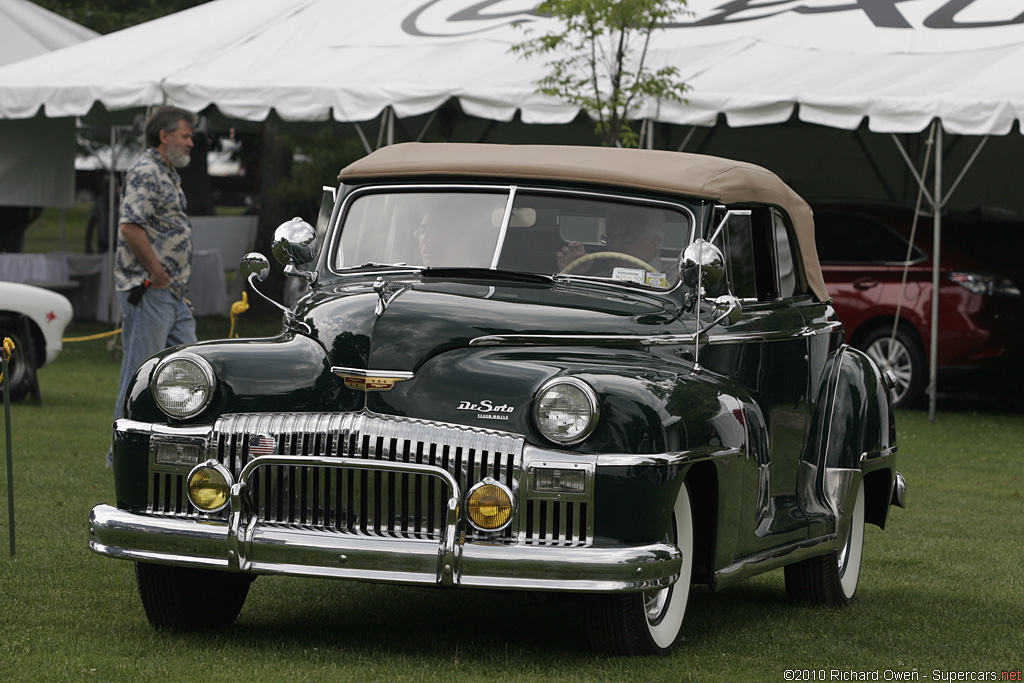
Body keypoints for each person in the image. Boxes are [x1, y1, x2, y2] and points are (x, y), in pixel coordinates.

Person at [107, 105, 197, 468]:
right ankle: (123, 455)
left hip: (172, 294)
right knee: (140, 375)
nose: (191, 143)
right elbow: (130, 226)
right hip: (151, 289)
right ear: (164, 136)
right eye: (185, 136)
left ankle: (178, 451)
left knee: (189, 370)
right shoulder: (146, 171)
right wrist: (157, 273)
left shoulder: (167, 173)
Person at [556, 206, 675, 285]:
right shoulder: (603, 278)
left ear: (653, 243)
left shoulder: (676, 278)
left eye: (626, 236)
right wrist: (572, 275)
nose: (614, 245)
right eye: (610, 237)